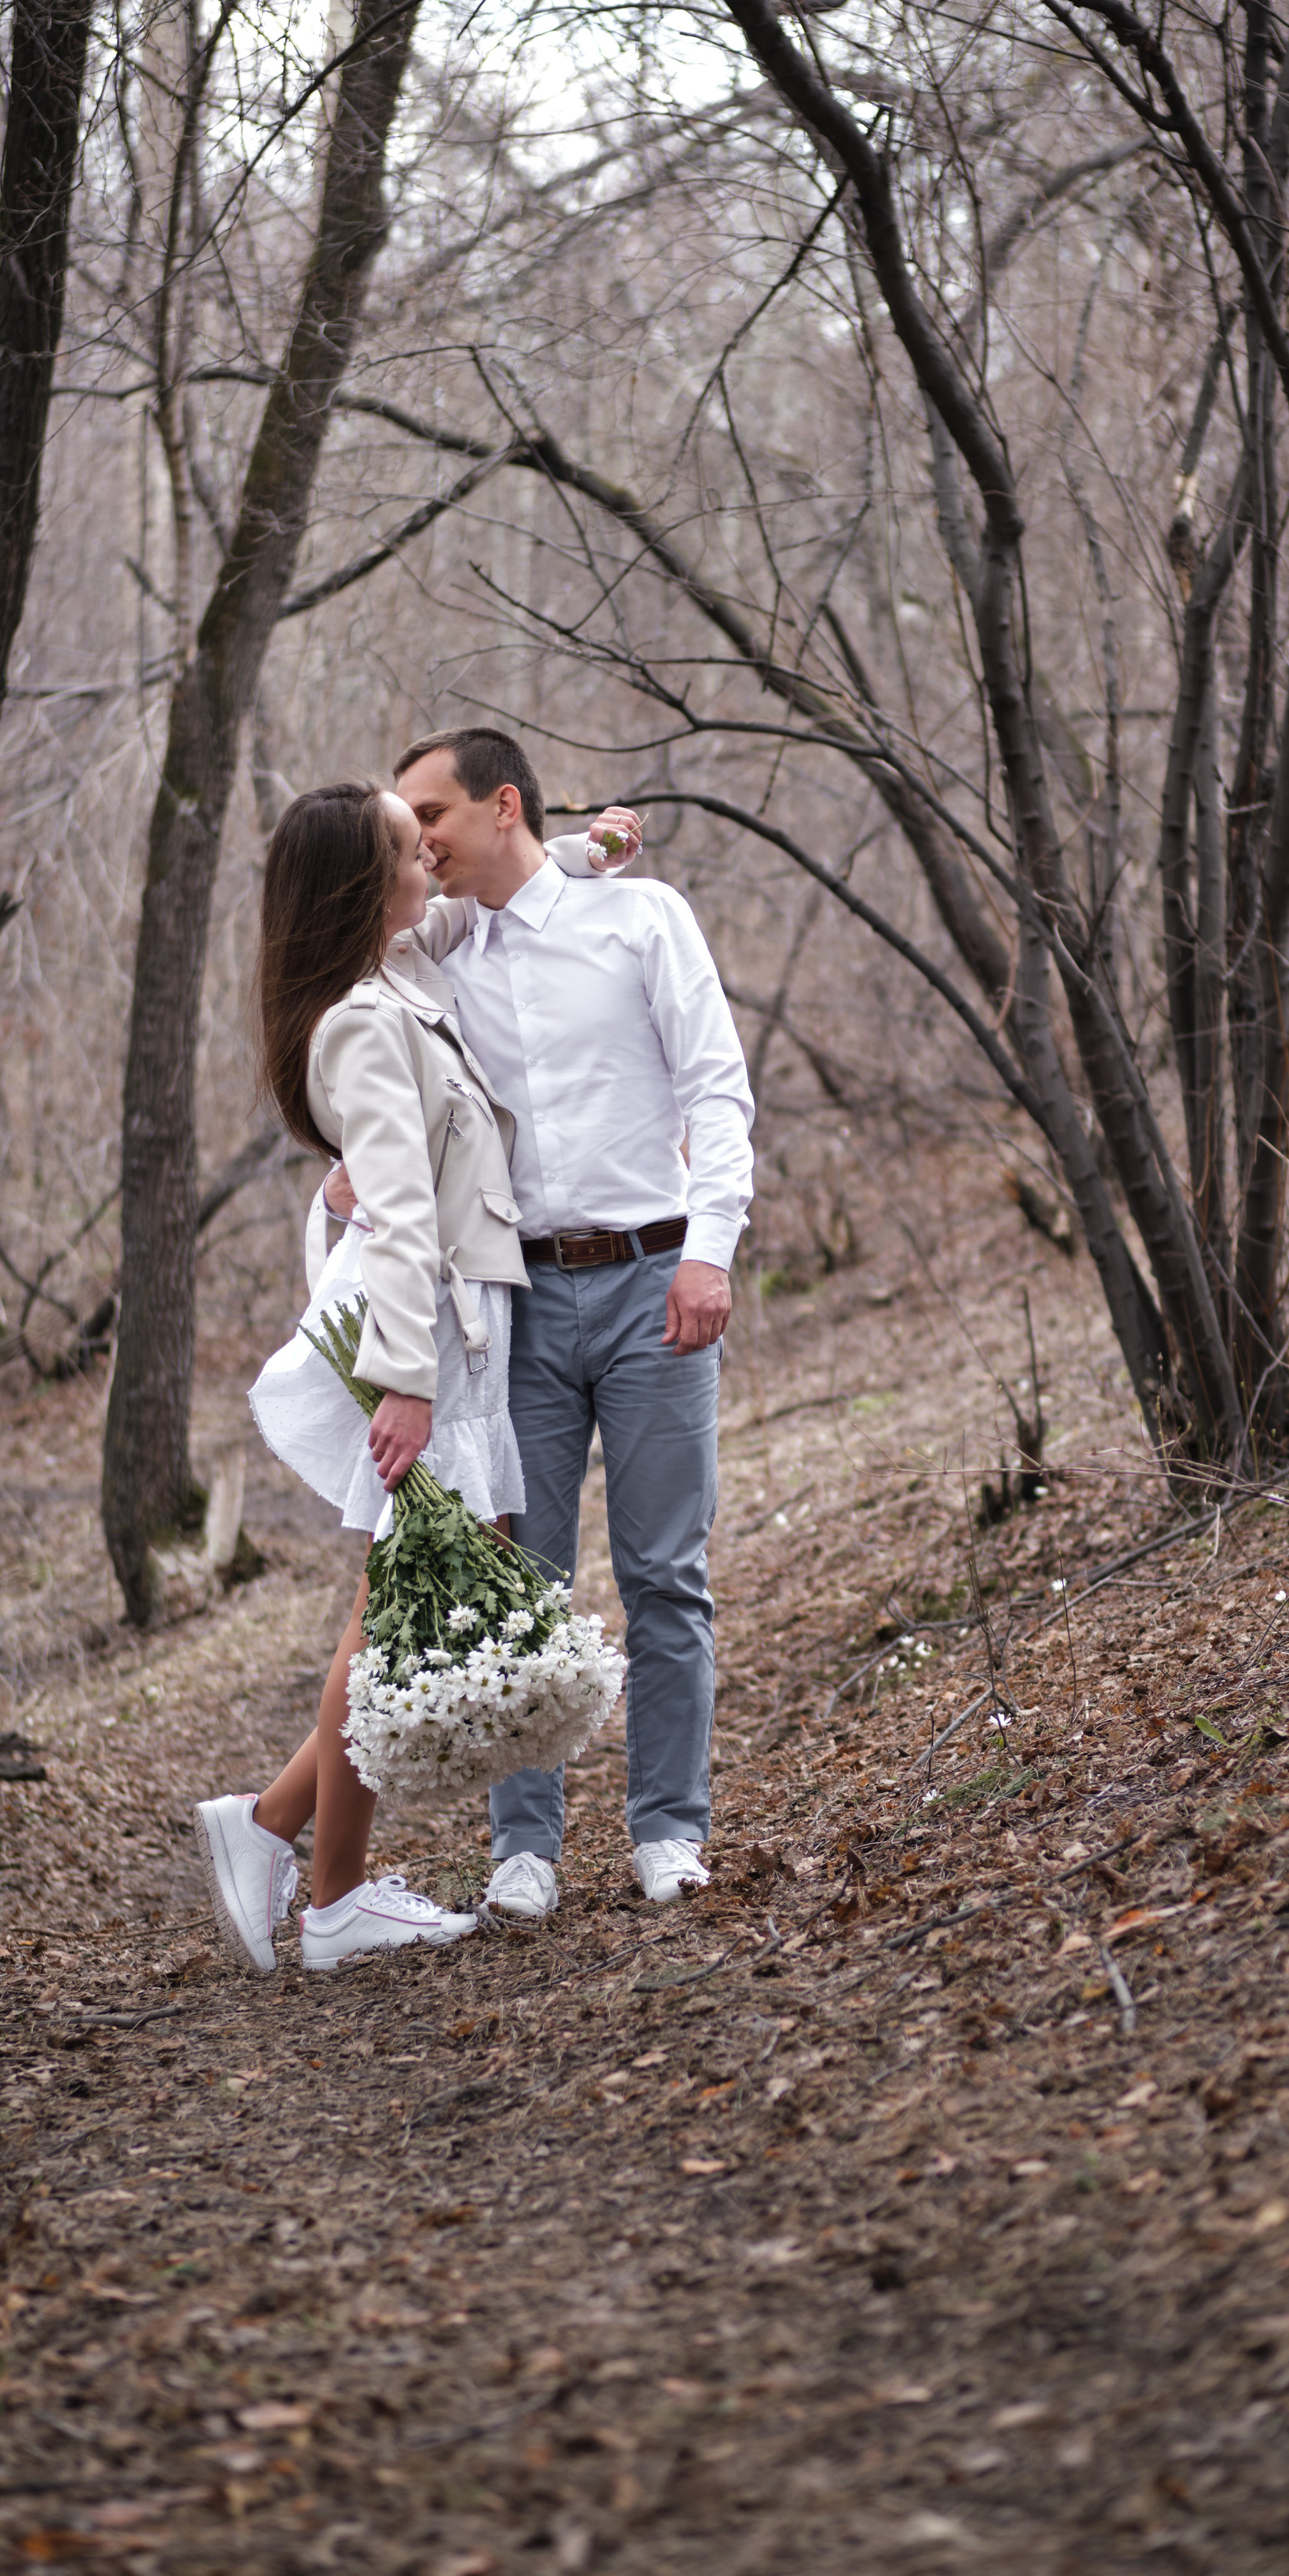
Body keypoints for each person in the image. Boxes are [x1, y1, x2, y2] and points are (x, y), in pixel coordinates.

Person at [194, 782, 634, 1975]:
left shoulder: (399, 972)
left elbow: (490, 893)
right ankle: (327, 1894)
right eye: (407, 845)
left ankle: (280, 1832)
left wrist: (586, 852)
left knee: (410, 1589)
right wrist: (405, 1382)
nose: (428, 856)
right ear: (366, 881)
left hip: (450, 1326)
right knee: (395, 1599)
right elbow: (393, 1218)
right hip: (418, 1331)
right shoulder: (359, 1021)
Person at [381, 724, 755, 1918]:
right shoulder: (436, 950)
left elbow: (716, 1087)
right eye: (406, 826)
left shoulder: (642, 919)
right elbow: (357, 1002)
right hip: (517, 1308)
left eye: (430, 816)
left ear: (502, 806)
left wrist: (709, 1254)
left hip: (655, 1284)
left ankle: (668, 1834)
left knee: (664, 1576)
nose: (417, 841)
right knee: (521, 1582)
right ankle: (524, 1851)